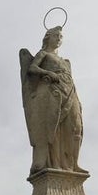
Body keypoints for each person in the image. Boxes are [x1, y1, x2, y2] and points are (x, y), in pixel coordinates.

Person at [20, 26, 85, 174]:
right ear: (48, 37)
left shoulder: (65, 62)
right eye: (56, 36)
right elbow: (32, 69)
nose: (59, 39)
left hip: (70, 92)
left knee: (76, 127)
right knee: (54, 128)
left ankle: (73, 164)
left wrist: (77, 98)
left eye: (61, 37)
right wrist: (48, 73)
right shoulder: (43, 54)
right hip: (54, 92)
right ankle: (55, 163)